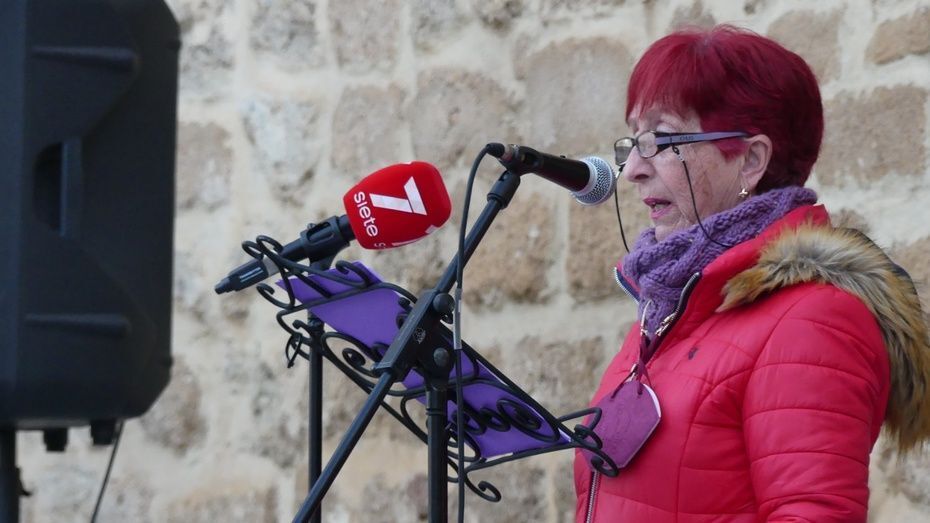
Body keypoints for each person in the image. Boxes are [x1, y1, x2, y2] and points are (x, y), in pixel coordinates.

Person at [573, 24, 930, 522]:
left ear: (751, 160)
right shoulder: (672, 304)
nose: (632, 168)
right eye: (634, 140)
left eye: (662, 139)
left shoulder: (813, 319)